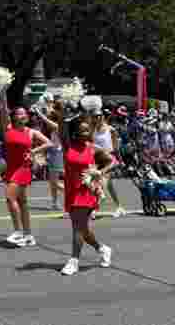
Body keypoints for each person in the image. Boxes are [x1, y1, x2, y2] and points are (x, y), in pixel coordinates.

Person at [44, 100, 114, 275]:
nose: (85, 133)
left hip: (86, 192)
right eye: (82, 130)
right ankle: (103, 249)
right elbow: (61, 128)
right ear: (75, 132)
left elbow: (113, 161)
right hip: (71, 191)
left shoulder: (92, 148)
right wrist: (62, 112)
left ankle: (73, 261)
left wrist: (99, 172)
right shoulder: (68, 146)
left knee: (77, 228)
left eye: (87, 130)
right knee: (83, 229)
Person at [0, 94, 50, 246]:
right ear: (14, 117)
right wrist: (3, 93)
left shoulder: (31, 132)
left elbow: (49, 143)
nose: (23, 115)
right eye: (19, 113)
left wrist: (34, 151)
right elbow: (3, 110)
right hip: (11, 168)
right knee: (22, 203)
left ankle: (18, 232)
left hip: (23, 168)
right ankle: (28, 235)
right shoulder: (8, 128)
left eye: (24, 113)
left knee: (10, 198)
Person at [92, 111, 128, 217]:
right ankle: (119, 207)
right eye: (95, 116)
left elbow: (116, 147)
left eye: (100, 116)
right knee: (107, 185)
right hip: (97, 159)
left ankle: (95, 209)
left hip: (109, 159)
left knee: (103, 182)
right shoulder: (92, 130)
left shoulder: (111, 130)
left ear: (103, 117)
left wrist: (120, 160)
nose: (98, 118)